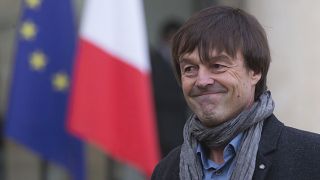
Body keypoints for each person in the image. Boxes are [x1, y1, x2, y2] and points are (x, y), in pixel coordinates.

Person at [151, 6, 320, 180]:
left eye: (217, 66)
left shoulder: (312, 159)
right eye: (190, 69)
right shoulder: (166, 171)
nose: (202, 81)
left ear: (254, 71)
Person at [150, 20, 189, 157]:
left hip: (179, 128)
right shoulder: (152, 62)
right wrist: (184, 96)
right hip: (158, 127)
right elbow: (154, 93)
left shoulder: (185, 61)